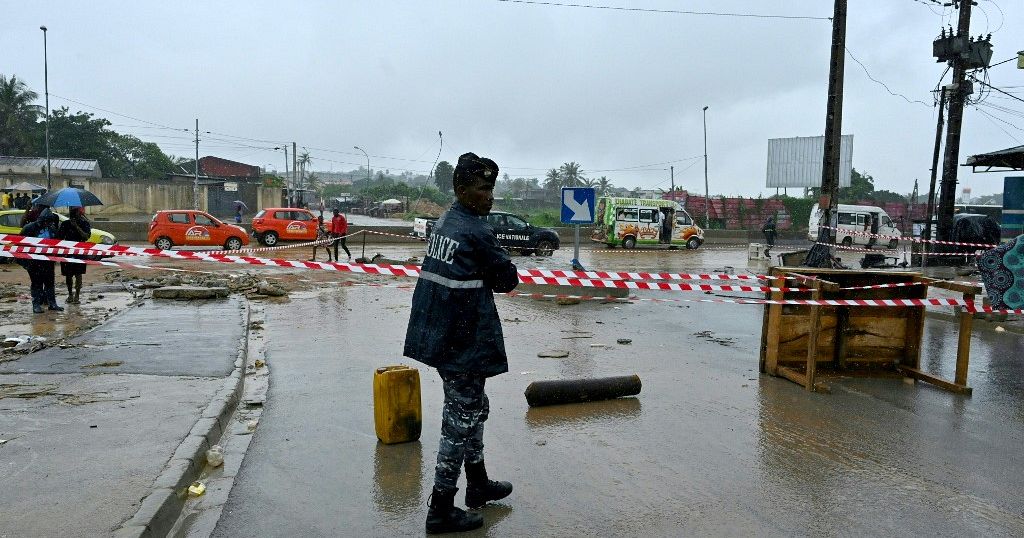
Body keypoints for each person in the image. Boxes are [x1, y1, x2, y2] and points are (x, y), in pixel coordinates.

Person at [404, 152, 518, 534]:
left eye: (491, 189)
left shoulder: (446, 221)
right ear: (461, 189)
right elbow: (507, 280)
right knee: (460, 420)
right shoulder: (475, 231)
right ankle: (441, 508)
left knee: (473, 409)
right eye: (483, 189)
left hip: (443, 336)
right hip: (462, 341)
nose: (490, 197)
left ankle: (478, 483)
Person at [19, 208, 63, 314]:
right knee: (36, 283)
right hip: (33, 261)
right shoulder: (29, 228)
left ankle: (52, 304)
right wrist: (25, 263)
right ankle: (36, 305)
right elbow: (19, 245)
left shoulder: (52, 229)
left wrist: (56, 256)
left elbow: (57, 243)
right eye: (47, 222)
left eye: (50, 222)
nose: (49, 224)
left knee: (50, 283)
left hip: (48, 261)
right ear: (42, 220)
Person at [57, 206, 92, 304]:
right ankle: (70, 295)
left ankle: (77, 295)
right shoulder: (65, 224)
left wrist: (76, 226)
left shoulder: (84, 223)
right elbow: (59, 237)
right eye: (71, 211)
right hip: (67, 253)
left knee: (78, 274)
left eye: (75, 211)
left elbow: (86, 237)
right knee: (68, 275)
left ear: (78, 213)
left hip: (79, 253)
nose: (72, 213)